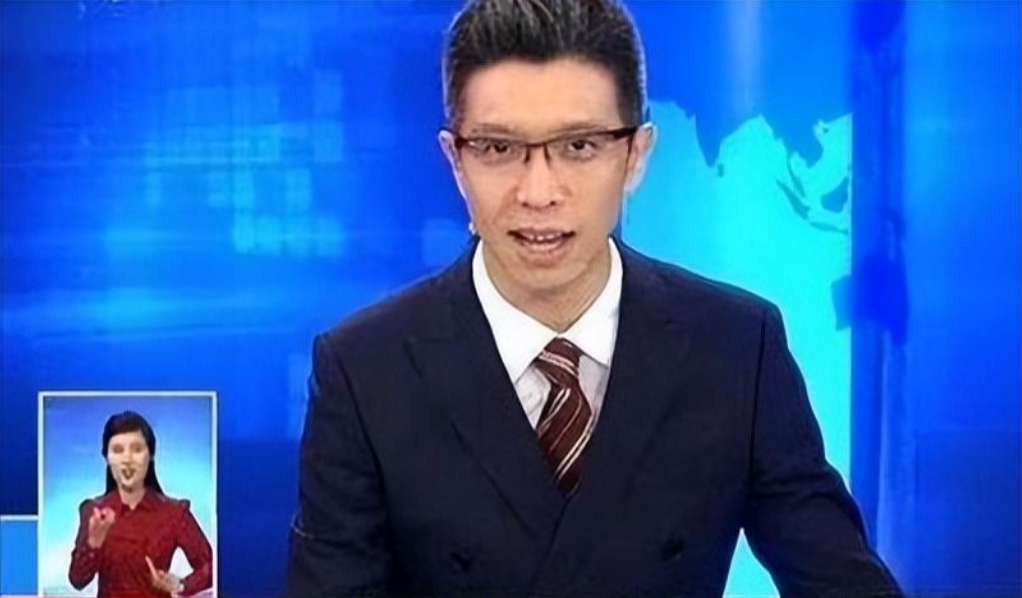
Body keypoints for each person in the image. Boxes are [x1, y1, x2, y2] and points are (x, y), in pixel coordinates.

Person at [286, 1, 901, 597]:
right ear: (456, 161)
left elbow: (841, 581)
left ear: (636, 155)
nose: (539, 192)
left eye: (578, 147)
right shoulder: (365, 370)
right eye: (499, 149)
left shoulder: (737, 347)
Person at [68, 411, 213, 597]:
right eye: (118, 450)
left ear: (150, 455)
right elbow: (77, 581)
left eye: (136, 449)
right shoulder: (94, 512)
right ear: (107, 458)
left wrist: (182, 585)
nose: (127, 459)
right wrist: (93, 544)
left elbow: (212, 566)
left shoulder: (175, 514)